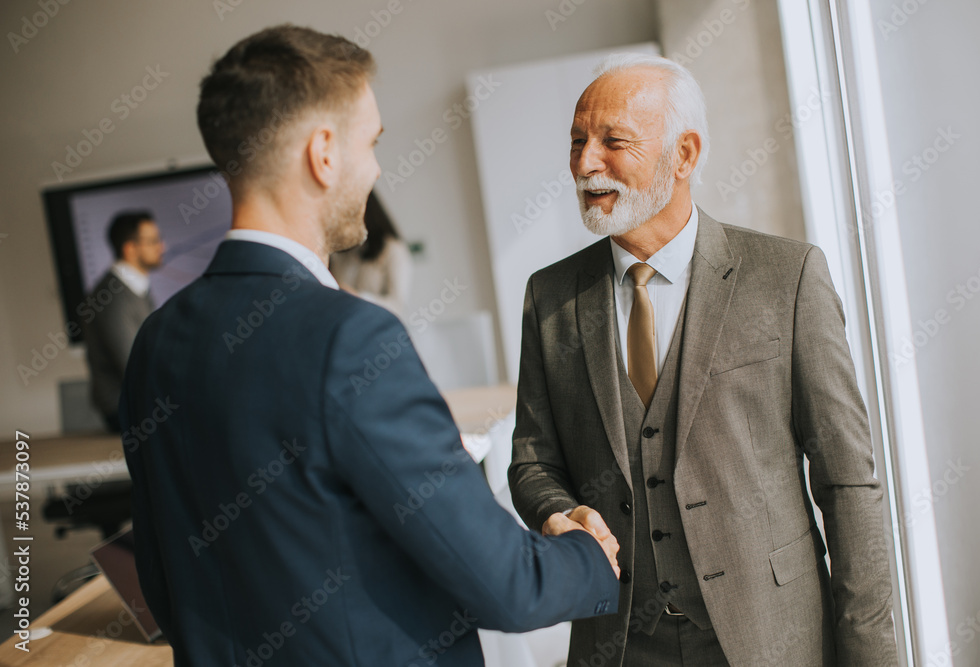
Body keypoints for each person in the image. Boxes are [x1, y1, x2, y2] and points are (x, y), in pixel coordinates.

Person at [120, 25, 620, 667]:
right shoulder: (350, 339)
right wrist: (589, 554)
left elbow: (162, 581)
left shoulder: (156, 341)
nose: (378, 168)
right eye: (372, 143)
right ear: (323, 153)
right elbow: (508, 588)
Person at [508, 54, 898, 666]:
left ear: (683, 156)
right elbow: (532, 462)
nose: (585, 164)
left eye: (614, 142)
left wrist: (872, 657)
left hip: (772, 641)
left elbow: (848, 484)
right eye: (578, 142)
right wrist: (558, 513)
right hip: (617, 645)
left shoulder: (786, 278)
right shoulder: (549, 296)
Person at [84, 211, 163, 432]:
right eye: (153, 241)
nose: (162, 247)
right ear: (130, 249)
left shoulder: (135, 287)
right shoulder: (112, 297)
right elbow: (132, 364)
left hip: (142, 402)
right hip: (125, 409)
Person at [330, 191, 412, 317]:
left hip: (376, 328)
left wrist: (358, 297)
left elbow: (398, 306)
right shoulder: (340, 254)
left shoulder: (393, 250)